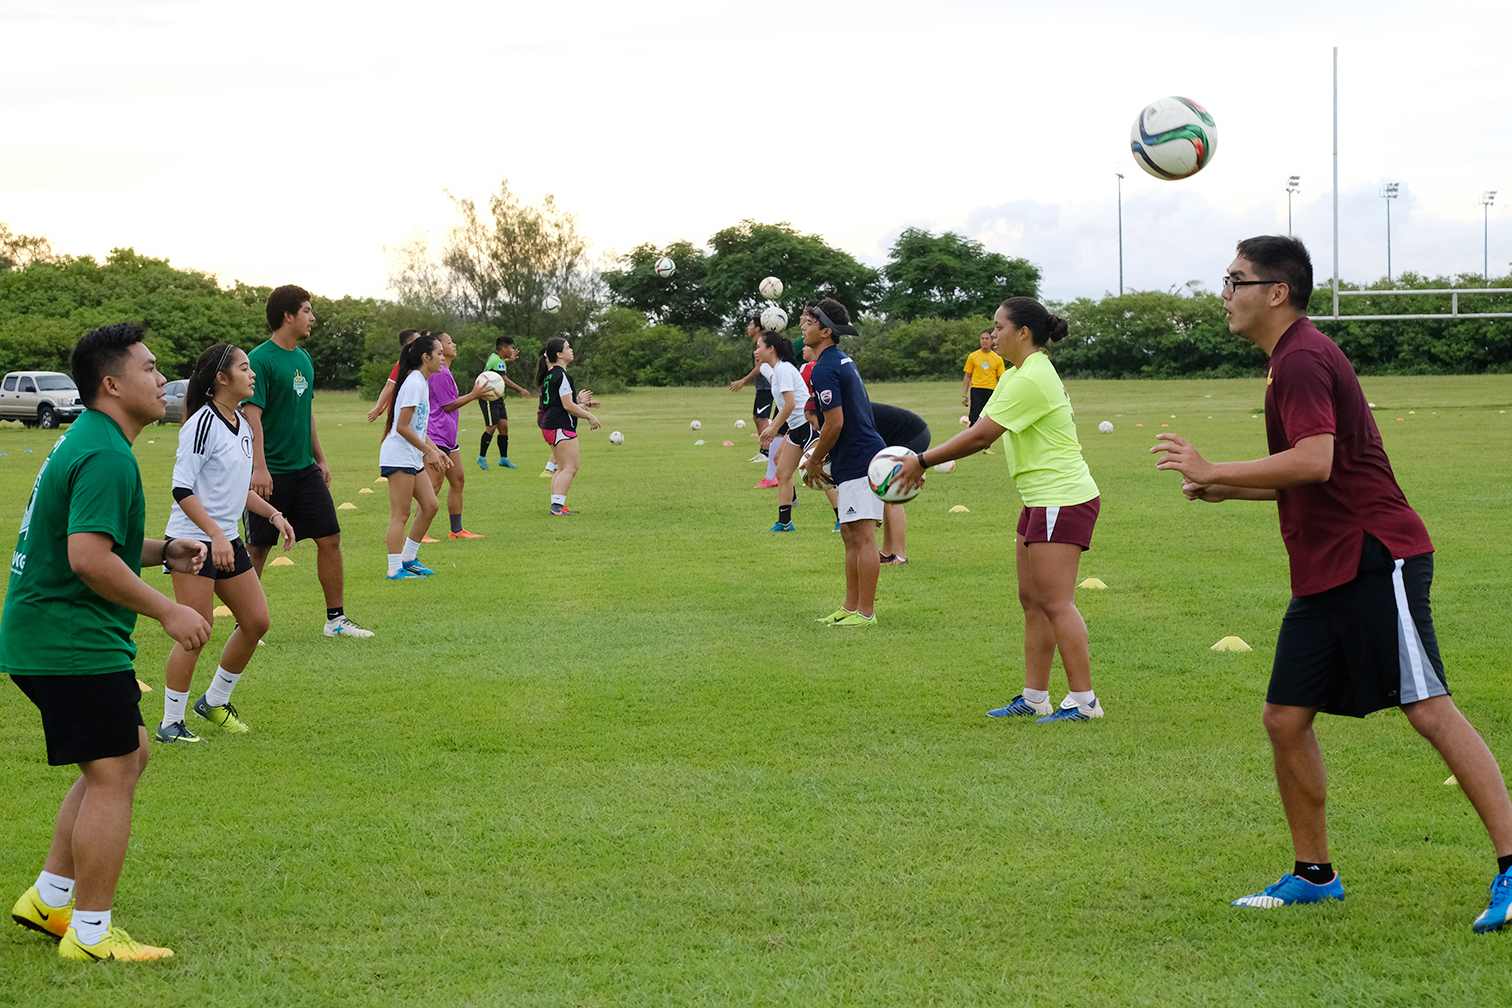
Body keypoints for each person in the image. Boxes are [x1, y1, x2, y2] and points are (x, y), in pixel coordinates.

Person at [1150, 235, 1512, 929]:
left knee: (1427, 706)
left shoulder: (1304, 359)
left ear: (1276, 292)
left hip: (1377, 556)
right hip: (1327, 566)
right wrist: (1229, 491)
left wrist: (1216, 468)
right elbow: (1312, 473)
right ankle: (1314, 875)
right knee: (1285, 718)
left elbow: (1314, 462)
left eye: (1235, 280)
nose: (1225, 293)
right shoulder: (1288, 360)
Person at [5, 323, 211, 962]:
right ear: (113, 384)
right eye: (150, 368)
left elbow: (99, 544)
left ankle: (49, 897)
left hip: (57, 634)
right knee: (115, 770)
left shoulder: (95, 442)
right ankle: (90, 935)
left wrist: (160, 550)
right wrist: (168, 613)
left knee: (124, 757)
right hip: (68, 640)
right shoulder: (104, 454)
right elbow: (89, 559)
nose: (162, 378)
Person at [894, 297, 1104, 722]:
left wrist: (921, 460)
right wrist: (928, 460)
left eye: (1000, 326)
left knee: (1056, 602)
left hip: (1060, 497)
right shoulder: (1015, 374)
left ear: (1023, 333)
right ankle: (1035, 697)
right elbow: (975, 429)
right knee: (1032, 600)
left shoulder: (1032, 378)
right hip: (1038, 498)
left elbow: (981, 439)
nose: (993, 334)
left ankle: (1085, 702)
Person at [159, 343, 295, 744]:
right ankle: (170, 723)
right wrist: (215, 534)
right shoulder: (201, 423)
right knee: (195, 631)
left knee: (256, 622)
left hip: (225, 539)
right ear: (221, 378)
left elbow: (236, 490)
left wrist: (272, 514)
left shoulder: (242, 423)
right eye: (244, 368)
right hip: (193, 543)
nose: (252, 374)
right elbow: (181, 488)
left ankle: (214, 701)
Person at [244, 285, 372, 637]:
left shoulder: (304, 359)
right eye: (307, 310)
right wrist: (258, 468)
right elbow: (252, 418)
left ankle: (336, 621)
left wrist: (320, 458)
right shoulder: (260, 359)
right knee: (258, 548)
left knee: (330, 536)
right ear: (288, 315)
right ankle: (246, 624)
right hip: (269, 472)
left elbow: (307, 411)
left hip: (304, 470)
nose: (312, 317)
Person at [801, 299, 886, 627]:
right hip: (853, 458)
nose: (802, 326)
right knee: (850, 534)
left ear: (826, 331)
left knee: (863, 537)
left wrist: (815, 460)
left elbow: (833, 423)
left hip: (861, 458)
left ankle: (866, 614)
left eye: (809, 322)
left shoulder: (825, 367)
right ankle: (850, 609)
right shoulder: (835, 360)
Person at [380, 333, 449, 578]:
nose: (443, 357)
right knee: (401, 514)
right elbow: (401, 426)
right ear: (425, 356)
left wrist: (436, 450)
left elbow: (417, 427)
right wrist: (428, 451)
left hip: (410, 456)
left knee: (430, 506)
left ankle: (408, 558)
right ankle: (394, 568)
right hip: (398, 456)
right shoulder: (414, 383)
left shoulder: (421, 381)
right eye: (439, 353)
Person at [427, 332, 487, 539]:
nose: (455, 344)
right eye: (450, 342)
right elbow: (447, 405)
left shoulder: (445, 372)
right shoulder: (440, 373)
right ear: (439, 348)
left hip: (448, 437)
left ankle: (456, 530)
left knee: (458, 480)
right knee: (433, 484)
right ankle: (421, 533)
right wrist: (474, 395)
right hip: (436, 436)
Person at [754, 331, 813, 531]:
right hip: (796, 427)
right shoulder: (777, 369)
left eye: (759, 346)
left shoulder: (784, 369)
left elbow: (790, 404)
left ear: (771, 349)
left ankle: (842, 519)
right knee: (782, 471)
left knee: (819, 472)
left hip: (808, 425)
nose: (756, 351)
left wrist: (773, 428)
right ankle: (785, 523)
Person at [536, 337, 600, 516]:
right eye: (568, 347)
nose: (571, 350)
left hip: (550, 426)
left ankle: (557, 505)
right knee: (571, 467)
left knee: (562, 468)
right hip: (560, 427)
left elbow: (561, 403)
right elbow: (567, 406)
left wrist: (580, 403)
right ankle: (557, 508)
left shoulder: (550, 375)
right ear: (559, 354)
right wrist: (590, 416)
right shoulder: (561, 375)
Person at [869, 403, 930, 564]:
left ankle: (900, 555)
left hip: (913, 435)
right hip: (901, 437)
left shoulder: (850, 414)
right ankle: (887, 552)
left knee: (890, 492)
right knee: (885, 496)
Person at [478, 335, 531, 470]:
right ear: (504, 348)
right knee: (492, 427)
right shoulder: (497, 360)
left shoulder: (497, 359)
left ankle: (503, 459)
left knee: (504, 427)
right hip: (489, 397)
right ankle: (482, 457)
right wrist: (521, 389)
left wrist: (508, 359)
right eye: (511, 348)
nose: (512, 350)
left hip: (497, 397)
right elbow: (504, 378)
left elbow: (498, 368)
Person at [730, 314, 776, 467]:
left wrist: (743, 381)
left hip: (767, 386)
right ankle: (764, 450)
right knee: (757, 417)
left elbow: (759, 368)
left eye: (750, 325)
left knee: (762, 418)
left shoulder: (762, 342)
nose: (748, 328)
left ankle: (767, 452)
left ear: (757, 328)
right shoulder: (760, 341)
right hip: (762, 386)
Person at [364, 329, 421, 422]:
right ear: (409, 344)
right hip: (399, 413)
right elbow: (390, 385)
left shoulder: (420, 364)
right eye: (418, 340)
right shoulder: (402, 365)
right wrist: (378, 407)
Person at [962, 329, 1006, 431]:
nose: (984, 341)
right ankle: (972, 439)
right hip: (977, 389)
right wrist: (964, 394)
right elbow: (967, 376)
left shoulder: (997, 358)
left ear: (992, 341)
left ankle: (986, 441)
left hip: (991, 389)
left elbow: (1002, 377)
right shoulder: (973, 356)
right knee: (975, 417)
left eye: (987, 338)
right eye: (982, 338)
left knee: (989, 417)